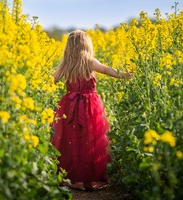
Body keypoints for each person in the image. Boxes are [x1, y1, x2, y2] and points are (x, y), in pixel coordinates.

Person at [51, 30, 132, 191]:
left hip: (70, 106)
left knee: (71, 140)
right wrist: (124, 75)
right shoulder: (89, 61)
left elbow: (51, 80)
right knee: (90, 140)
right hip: (90, 106)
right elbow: (107, 69)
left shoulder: (66, 63)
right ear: (87, 45)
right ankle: (89, 178)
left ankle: (71, 178)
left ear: (68, 47)